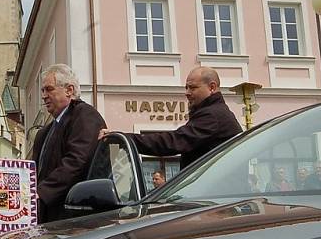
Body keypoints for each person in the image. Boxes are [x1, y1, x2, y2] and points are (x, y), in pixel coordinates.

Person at [100, 66, 242, 170]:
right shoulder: (215, 113)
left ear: (212, 87)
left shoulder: (213, 115)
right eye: (186, 87)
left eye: (192, 88)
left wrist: (122, 138)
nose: (187, 93)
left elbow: (173, 142)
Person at [31, 64, 106, 223]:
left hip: (75, 219)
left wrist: (40, 192)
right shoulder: (45, 131)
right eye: (42, 90)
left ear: (69, 90)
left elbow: (76, 161)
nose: (44, 96)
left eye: (49, 89)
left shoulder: (85, 116)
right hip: (48, 218)